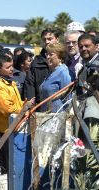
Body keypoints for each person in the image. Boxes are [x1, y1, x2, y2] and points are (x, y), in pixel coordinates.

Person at [0, 54, 35, 186]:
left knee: (9, 164)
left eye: (12, 66)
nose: (11, 69)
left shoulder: (10, 83)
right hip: (0, 131)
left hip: (11, 129)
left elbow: (16, 104)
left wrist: (25, 105)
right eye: (8, 67)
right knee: (1, 166)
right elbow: (7, 109)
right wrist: (24, 108)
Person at [76, 33, 99, 189]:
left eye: (87, 46)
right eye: (81, 46)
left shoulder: (96, 67)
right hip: (84, 118)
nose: (83, 49)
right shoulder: (85, 68)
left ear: (96, 47)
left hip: (94, 120)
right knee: (83, 153)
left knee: (92, 155)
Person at [23, 28, 60, 106]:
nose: (47, 42)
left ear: (57, 39)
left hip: (61, 106)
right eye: (44, 39)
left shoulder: (66, 59)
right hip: (41, 107)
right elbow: (29, 85)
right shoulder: (36, 62)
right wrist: (31, 106)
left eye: (50, 39)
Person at [39, 43, 71, 112]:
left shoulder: (64, 72)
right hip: (46, 115)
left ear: (60, 57)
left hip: (57, 116)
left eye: (51, 54)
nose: (47, 57)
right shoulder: (51, 72)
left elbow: (68, 98)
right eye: (47, 54)